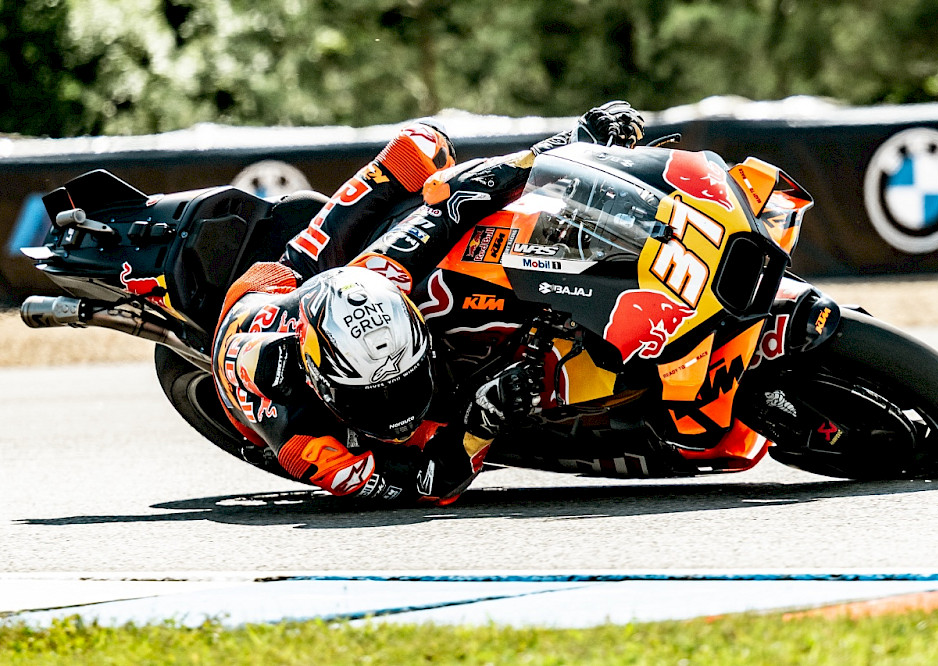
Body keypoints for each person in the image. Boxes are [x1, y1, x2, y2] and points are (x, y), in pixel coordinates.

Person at [211, 101, 645, 505]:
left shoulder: (383, 274)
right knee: (435, 427)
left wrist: (572, 143)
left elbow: (460, 198)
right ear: (324, 386)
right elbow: (426, 486)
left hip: (302, 290)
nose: (400, 409)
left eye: (405, 383)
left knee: (422, 147)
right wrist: (484, 420)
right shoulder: (307, 444)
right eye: (376, 399)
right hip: (264, 305)